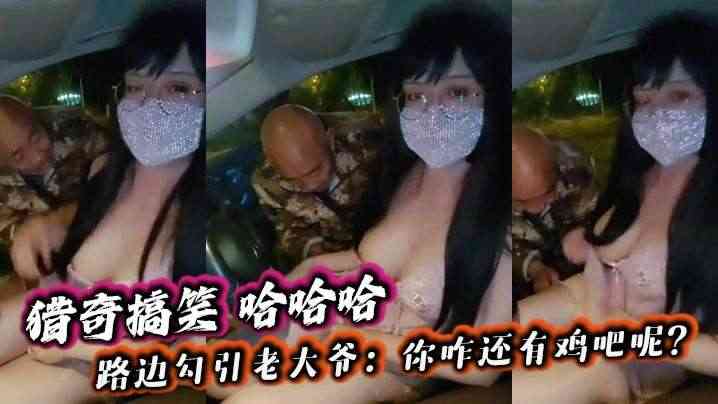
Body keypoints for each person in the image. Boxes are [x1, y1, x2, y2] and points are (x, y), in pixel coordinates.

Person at [218, 3, 511, 403]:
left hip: (392, 364)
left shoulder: (497, 205)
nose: (433, 111)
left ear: (493, 96)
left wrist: (364, 342)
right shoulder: (403, 173)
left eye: (457, 92)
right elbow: (347, 261)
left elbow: (484, 367)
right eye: (417, 95)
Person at [0, 2, 205, 403]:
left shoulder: (201, 210)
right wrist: (51, 227)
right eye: (136, 87)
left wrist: (76, 346)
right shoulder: (106, 169)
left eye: (177, 88)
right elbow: (84, 218)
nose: (148, 105)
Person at [514, 12, 718, 404]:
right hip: (585, 302)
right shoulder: (641, 176)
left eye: (678, 96)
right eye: (644, 100)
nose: (656, 115)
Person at [252, 104, 381, 266]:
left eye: (314, 170)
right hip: (338, 257)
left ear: (329, 139)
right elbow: (290, 230)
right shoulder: (268, 183)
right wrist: (317, 254)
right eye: (293, 179)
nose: (309, 185)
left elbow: (404, 190)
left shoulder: (366, 138)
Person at [0, 96, 109, 244]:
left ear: (37, 119)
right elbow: (12, 231)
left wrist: (64, 216)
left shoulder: (77, 127)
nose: (38, 158)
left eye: (36, 137)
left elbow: (119, 176)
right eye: (19, 156)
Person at [511, 125, 597, 297]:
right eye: (524, 201)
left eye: (547, 192)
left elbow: (593, 216)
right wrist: (534, 269)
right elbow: (500, 246)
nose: (538, 207)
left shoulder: (576, 168)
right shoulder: (479, 195)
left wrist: (586, 242)